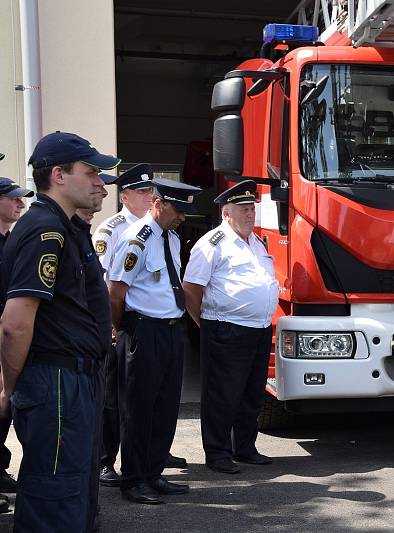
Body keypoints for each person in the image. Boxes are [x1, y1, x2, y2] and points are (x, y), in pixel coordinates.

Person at [0, 131, 119, 531]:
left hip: (75, 380)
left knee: (75, 492)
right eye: (92, 172)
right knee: (55, 498)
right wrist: (7, 387)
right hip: (55, 382)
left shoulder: (65, 228)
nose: (101, 183)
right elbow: (16, 323)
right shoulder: (44, 230)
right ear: (59, 175)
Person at [108, 177, 201, 505]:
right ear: (158, 204)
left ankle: (153, 473)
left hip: (170, 331)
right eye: (177, 209)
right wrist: (116, 330)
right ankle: (133, 480)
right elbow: (116, 293)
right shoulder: (137, 238)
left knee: (164, 407)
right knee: (138, 409)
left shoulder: (171, 239)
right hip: (143, 331)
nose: (183, 217)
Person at [183, 180, 278, 474]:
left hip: (258, 329)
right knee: (222, 395)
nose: (251, 214)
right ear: (227, 213)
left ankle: (245, 448)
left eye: (252, 209)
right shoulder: (212, 243)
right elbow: (191, 290)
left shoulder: (256, 243)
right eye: (244, 209)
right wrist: (206, 324)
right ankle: (217, 452)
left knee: (251, 393)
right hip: (226, 329)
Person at [73, 176, 116, 532]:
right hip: (64, 367)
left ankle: (88, 514)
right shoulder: (51, 234)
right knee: (60, 467)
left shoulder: (78, 233)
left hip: (90, 358)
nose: (102, 189)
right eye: (93, 179)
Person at [0, 177, 34, 512]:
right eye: (12, 199)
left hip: (7, 337)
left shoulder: (12, 241)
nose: (19, 204)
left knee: (6, 411)